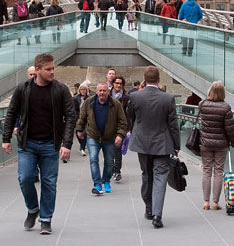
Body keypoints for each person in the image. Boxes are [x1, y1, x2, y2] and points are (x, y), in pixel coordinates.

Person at [2, 53, 76, 235]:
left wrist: (67, 143)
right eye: (48, 69)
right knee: (25, 178)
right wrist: (5, 139)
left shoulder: (60, 89)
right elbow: (11, 113)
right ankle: (33, 208)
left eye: (53, 68)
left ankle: (46, 218)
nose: (52, 72)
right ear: (37, 71)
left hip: (51, 144)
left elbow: (70, 116)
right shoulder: (23, 89)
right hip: (28, 143)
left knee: (49, 182)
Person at [128, 65, 181, 228]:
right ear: (159, 80)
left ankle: (149, 208)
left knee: (146, 175)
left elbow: (130, 117)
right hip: (162, 144)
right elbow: (173, 124)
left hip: (142, 143)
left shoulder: (135, 97)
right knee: (160, 178)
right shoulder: (168, 98)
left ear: (144, 80)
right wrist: (176, 145)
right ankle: (157, 215)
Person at [76, 81, 128, 195]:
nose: (102, 93)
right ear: (96, 91)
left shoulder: (115, 104)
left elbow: (123, 122)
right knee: (93, 159)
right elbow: (82, 117)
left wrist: (120, 135)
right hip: (93, 136)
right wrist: (79, 129)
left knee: (109, 162)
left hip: (109, 137)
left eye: (104, 90)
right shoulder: (89, 102)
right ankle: (97, 184)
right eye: (100, 90)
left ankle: (106, 181)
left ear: (108, 91)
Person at [197, 81, 234, 210]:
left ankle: (206, 202)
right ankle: (215, 202)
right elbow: (230, 129)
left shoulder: (202, 105)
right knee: (218, 171)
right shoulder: (226, 107)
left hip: (205, 142)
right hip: (221, 144)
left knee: (206, 170)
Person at [109, 74, 130, 182]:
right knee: (109, 150)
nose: (118, 85)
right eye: (116, 83)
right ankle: (111, 169)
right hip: (108, 127)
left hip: (120, 127)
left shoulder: (126, 97)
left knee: (117, 149)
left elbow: (128, 114)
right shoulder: (107, 94)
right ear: (113, 84)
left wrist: (128, 129)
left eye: (120, 84)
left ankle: (117, 171)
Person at [73, 82, 92, 155]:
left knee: (84, 132)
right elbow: (74, 109)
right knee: (78, 133)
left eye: (84, 89)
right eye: (81, 89)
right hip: (78, 118)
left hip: (87, 118)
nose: (83, 91)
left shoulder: (89, 98)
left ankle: (82, 148)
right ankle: (82, 144)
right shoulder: (75, 98)